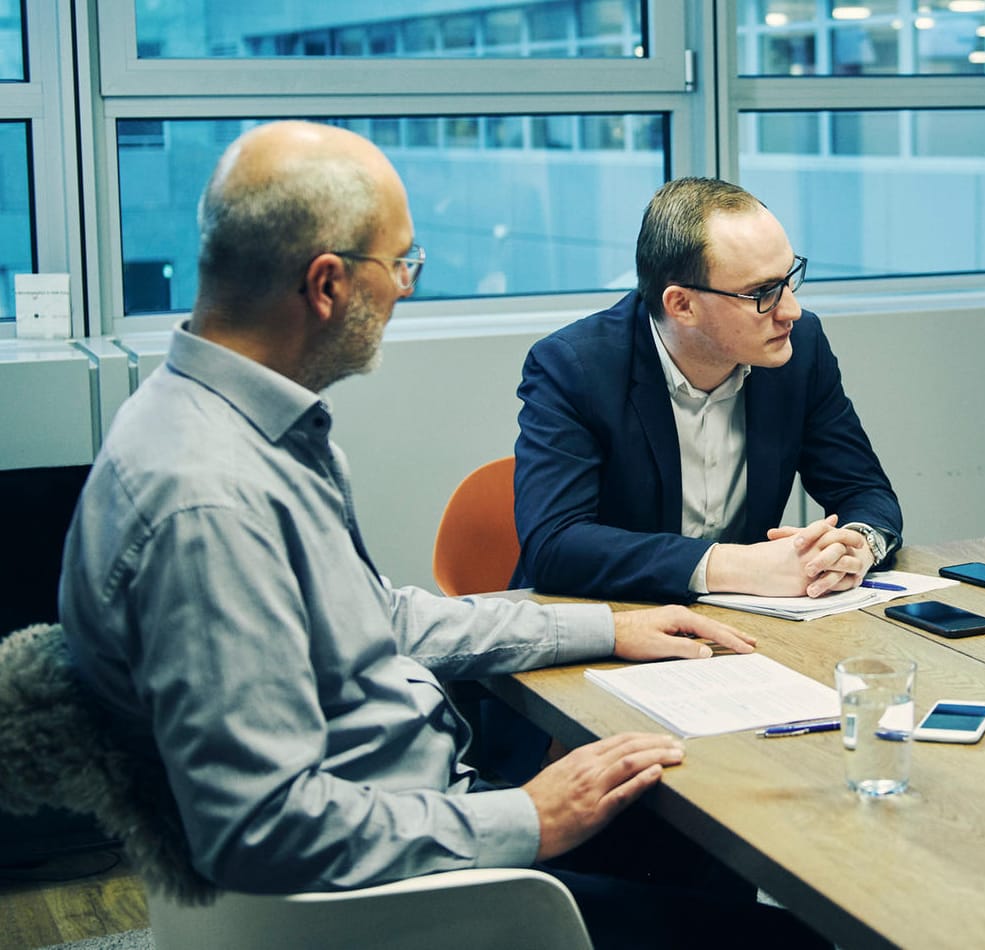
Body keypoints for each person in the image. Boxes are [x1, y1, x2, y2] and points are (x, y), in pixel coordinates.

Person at [57, 121, 818, 945]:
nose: (406, 290)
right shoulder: (209, 503)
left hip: (417, 805)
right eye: (400, 264)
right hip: (398, 893)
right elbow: (263, 830)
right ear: (327, 285)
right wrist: (526, 818)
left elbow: (381, 620)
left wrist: (610, 626)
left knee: (691, 840)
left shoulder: (240, 427)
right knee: (789, 937)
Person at [513, 177, 902, 604]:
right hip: (607, 620)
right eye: (762, 293)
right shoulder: (575, 368)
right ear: (682, 305)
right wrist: (743, 566)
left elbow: (863, 490)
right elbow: (555, 545)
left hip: (743, 623)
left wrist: (856, 546)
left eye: (789, 277)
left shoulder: (799, 348)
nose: (791, 309)